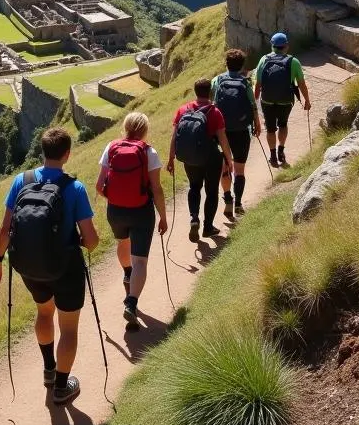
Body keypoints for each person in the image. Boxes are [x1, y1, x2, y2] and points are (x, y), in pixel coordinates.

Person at [0, 127, 99, 405]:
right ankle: (62, 386)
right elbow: (92, 240)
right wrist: (83, 242)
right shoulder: (74, 188)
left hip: (30, 267)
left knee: (44, 312)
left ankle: (49, 368)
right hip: (65, 268)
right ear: (66, 154)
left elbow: (5, 230)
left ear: (42, 152)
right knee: (69, 328)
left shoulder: (21, 181)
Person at [95, 112, 169, 331]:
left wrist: (116, 199)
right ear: (144, 129)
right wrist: (163, 216)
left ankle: (127, 273)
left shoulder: (111, 147)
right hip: (141, 211)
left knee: (122, 243)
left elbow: (99, 186)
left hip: (115, 211)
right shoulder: (149, 152)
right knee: (141, 262)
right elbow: (156, 189)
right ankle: (131, 302)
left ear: (126, 127)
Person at [167, 79, 235, 242]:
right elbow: (222, 138)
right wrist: (228, 158)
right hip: (211, 157)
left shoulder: (183, 110)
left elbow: (175, 136)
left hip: (190, 157)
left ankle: (194, 218)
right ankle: (208, 227)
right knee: (211, 191)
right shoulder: (215, 112)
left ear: (195, 91)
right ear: (210, 92)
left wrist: (171, 158)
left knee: (194, 187)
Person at [211, 49, 261, 218]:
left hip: (222, 132)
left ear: (227, 63)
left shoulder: (217, 80)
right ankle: (238, 203)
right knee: (239, 169)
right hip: (241, 130)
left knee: (225, 167)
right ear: (242, 65)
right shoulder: (245, 82)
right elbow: (253, 105)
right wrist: (257, 124)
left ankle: (227, 199)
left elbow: (212, 104)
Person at [254, 32, 312, 167]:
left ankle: (273, 155)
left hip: (267, 100)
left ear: (272, 46)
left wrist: (255, 102)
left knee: (270, 129)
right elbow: (301, 84)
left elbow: (258, 84)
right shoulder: (293, 61)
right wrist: (307, 100)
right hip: (286, 100)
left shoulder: (263, 60)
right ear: (286, 46)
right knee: (283, 124)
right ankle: (281, 150)